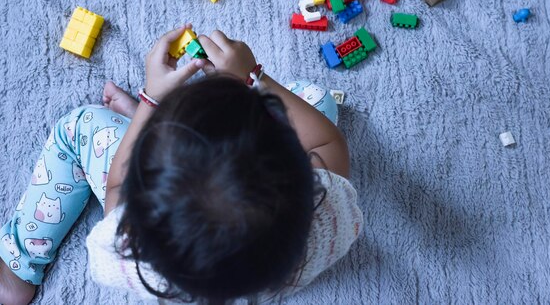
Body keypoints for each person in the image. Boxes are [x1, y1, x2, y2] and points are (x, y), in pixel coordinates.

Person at [0, 26, 363, 304]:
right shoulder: (322, 215)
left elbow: (116, 185)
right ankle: (145, 126)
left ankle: (17, 270)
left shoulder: (128, 241)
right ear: (301, 181)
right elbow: (325, 141)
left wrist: (151, 98)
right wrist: (253, 78)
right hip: (261, 278)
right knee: (315, 100)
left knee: (77, 128)